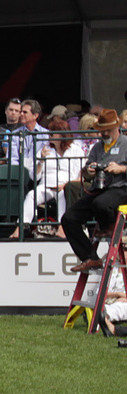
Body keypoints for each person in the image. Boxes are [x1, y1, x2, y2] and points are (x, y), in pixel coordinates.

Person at [61, 108, 127, 273]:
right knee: (68, 218)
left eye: (107, 130)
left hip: (122, 188)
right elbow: (86, 171)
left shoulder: (126, 143)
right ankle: (90, 257)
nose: (104, 133)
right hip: (100, 188)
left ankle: (109, 226)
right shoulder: (97, 148)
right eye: (101, 130)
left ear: (116, 128)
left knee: (101, 204)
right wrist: (88, 171)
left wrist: (121, 169)